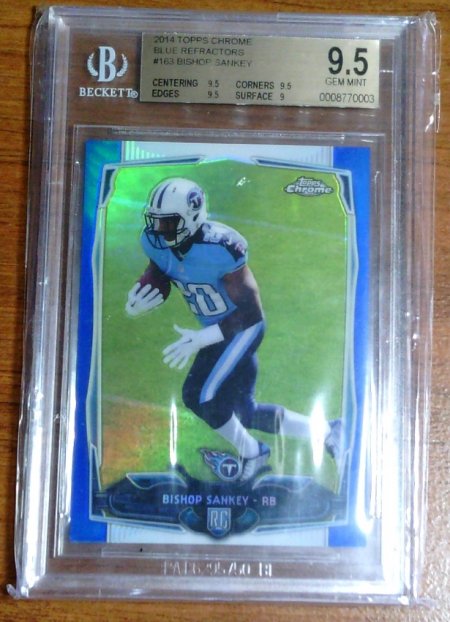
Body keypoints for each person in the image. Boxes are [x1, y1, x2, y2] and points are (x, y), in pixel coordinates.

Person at [126, 177, 342, 481]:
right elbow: (161, 269)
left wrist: (202, 338)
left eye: (169, 223)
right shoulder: (155, 241)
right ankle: (329, 431)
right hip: (216, 331)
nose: (160, 231)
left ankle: (253, 453)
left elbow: (251, 313)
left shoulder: (221, 247)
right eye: (156, 221)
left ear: (192, 217)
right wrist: (143, 293)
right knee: (243, 412)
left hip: (243, 329)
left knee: (199, 396)